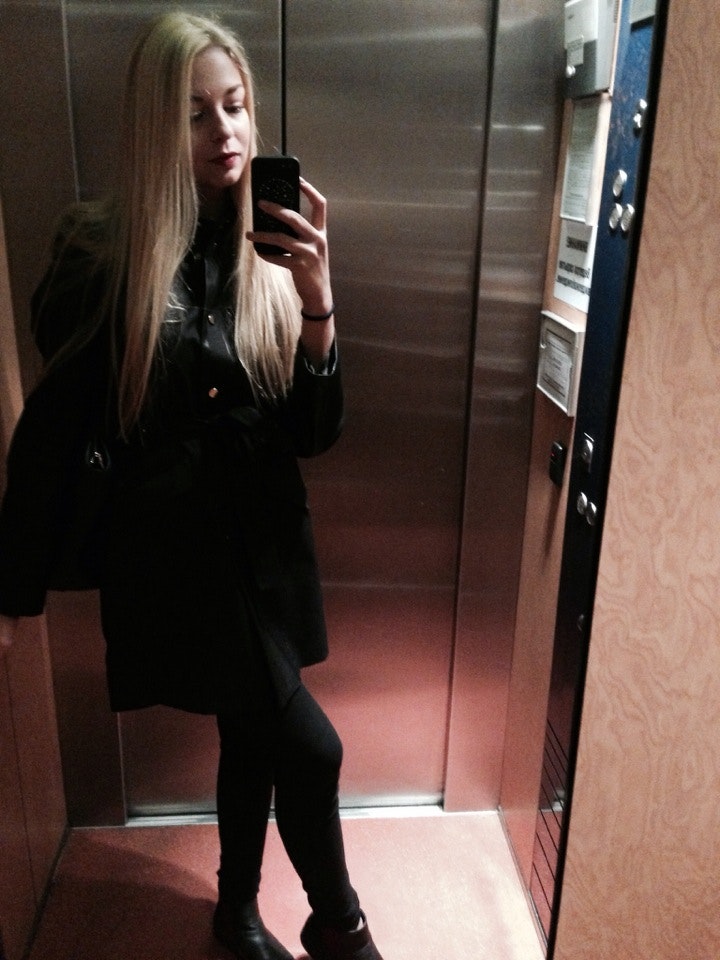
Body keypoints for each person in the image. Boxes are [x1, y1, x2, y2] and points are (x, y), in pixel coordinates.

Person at [0, 12, 384, 960]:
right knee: (312, 747)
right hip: (179, 562)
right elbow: (50, 432)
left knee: (252, 736)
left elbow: (312, 434)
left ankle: (235, 912)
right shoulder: (102, 257)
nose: (225, 132)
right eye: (195, 113)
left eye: (236, 105)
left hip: (266, 548)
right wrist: (12, 589)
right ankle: (341, 928)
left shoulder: (267, 249)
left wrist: (318, 303)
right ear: (153, 126)